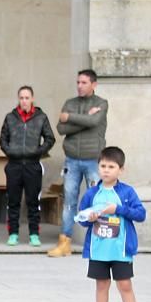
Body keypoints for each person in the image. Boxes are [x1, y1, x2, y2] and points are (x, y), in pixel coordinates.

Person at [77, 146, 147, 302]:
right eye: (103, 166)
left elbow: (141, 214)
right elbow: (81, 218)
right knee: (101, 284)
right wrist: (88, 218)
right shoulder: (92, 193)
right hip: (99, 249)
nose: (106, 170)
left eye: (111, 166)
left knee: (124, 284)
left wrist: (118, 209)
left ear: (121, 170)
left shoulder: (127, 192)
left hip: (120, 249)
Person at [48, 69, 108, 257]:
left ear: (94, 84)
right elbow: (60, 128)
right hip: (72, 160)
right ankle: (64, 242)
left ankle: (100, 243)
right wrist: (86, 119)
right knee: (69, 201)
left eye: (84, 82)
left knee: (97, 201)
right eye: (78, 82)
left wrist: (71, 118)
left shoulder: (101, 103)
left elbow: (94, 122)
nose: (79, 86)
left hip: (92, 159)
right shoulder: (70, 103)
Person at [0, 85, 55, 246]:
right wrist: (10, 151)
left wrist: (38, 152)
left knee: (33, 202)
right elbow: (2, 139)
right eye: (21, 98)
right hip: (14, 165)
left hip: (33, 165)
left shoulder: (41, 117)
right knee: (13, 201)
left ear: (32, 98)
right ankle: (13, 233)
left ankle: (34, 234)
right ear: (18, 99)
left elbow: (50, 138)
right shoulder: (10, 117)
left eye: (27, 98)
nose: (24, 101)